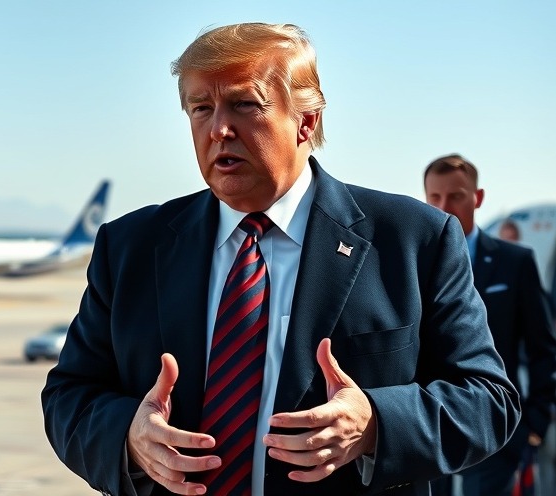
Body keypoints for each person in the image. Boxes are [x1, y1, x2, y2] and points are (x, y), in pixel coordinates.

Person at [42, 22, 520, 495]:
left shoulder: (414, 239)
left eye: (244, 105)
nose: (219, 129)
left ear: (305, 122)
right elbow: (69, 396)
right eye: (200, 109)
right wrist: (128, 436)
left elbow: (487, 401)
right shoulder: (129, 246)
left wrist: (374, 423)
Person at [423, 153, 556, 496]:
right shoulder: (413, 263)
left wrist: (536, 422)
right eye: (435, 197)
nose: (444, 206)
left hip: (498, 428)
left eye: (455, 196)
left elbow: (543, 346)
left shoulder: (516, 262)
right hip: (428, 427)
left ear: (477, 198)